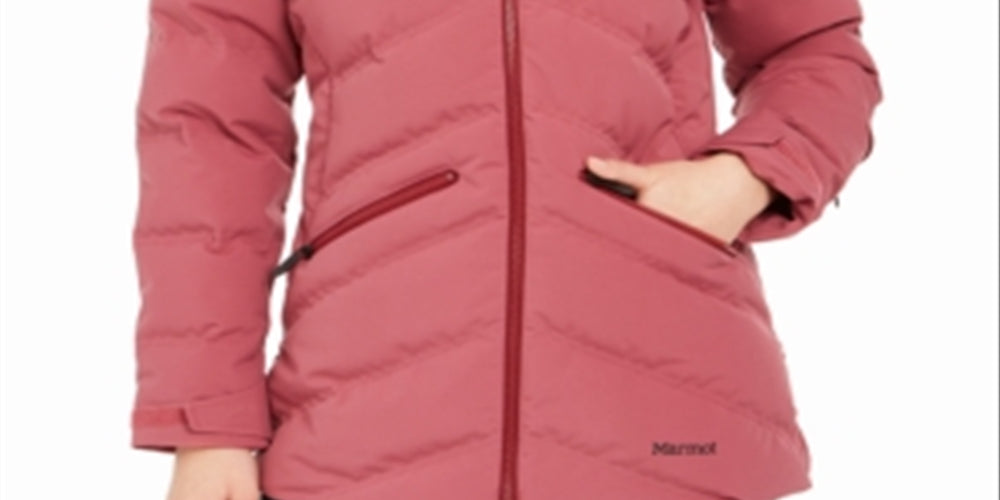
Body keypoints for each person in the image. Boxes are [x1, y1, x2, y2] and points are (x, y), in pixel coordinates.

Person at [128, 0, 882, 499]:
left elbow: (814, 49)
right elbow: (208, 142)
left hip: (663, 398)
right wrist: (208, 424)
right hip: (370, 413)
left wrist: (748, 176)